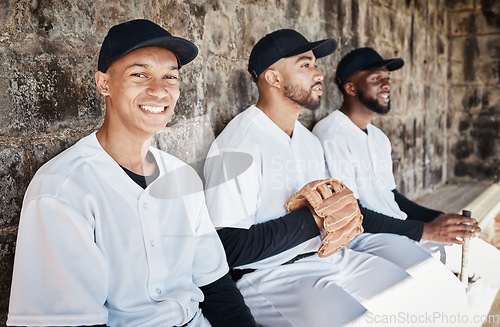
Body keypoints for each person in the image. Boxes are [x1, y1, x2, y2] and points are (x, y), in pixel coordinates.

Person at [203, 29, 467, 327]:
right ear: (273, 78)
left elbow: (336, 213)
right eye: (305, 65)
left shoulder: (307, 140)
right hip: (272, 275)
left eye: (315, 64)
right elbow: (228, 248)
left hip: (331, 257)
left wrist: (333, 219)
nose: (318, 74)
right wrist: (313, 218)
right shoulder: (238, 145)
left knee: (429, 300)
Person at [7, 19, 256, 327]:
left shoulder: (182, 176)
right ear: (104, 83)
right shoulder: (62, 189)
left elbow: (217, 287)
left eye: (170, 77)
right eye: (140, 74)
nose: (159, 90)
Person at [313, 46, 500, 316]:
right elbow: (350, 214)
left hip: (402, 229)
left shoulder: (377, 137)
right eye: (376, 78)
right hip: (366, 239)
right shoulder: (331, 134)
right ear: (351, 88)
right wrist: (425, 230)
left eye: (387, 78)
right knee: (446, 290)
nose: (387, 84)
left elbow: (391, 197)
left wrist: (440, 218)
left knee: (492, 265)